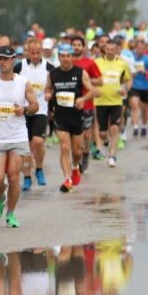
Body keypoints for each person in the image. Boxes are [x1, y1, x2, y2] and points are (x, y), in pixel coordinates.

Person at [0, 46, 38, 227]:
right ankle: (1, 197)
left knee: (13, 177)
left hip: (17, 135)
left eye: (6, 58)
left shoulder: (23, 82)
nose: (3, 62)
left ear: (13, 60)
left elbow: (35, 104)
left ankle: (11, 214)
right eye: (0, 58)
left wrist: (25, 109)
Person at [46, 44, 97, 192]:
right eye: (63, 56)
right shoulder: (53, 73)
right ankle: (67, 179)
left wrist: (83, 99)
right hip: (60, 116)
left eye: (68, 56)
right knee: (64, 147)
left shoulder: (80, 73)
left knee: (77, 152)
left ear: (72, 57)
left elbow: (93, 91)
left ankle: (75, 167)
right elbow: (48, 88)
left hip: (76, 116)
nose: (65, 59)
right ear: (59, 57)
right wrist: (48, 95)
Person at [13, 37, 53, 190]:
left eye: (38, 52)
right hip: (23, 110)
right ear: (27, 52)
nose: (35, 55)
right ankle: (27, 176)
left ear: (42, 52)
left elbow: (54, 86)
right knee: (26, 146)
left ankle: (40, 168)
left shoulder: (49, 67)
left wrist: (50, 95)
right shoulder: (19, 66)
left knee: (38, 142)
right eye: (32, 52)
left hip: (41, 109)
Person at [94, 38, 132, 168]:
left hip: (116, 101)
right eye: (108, 49)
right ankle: (105, 144)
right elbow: (90, 78)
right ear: (104, 49)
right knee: (102, 133)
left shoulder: (122, 64)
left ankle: (112, 155)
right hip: (100, 101)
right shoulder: (97, 62)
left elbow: (128, 80)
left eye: (113, 49)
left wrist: (125, 88)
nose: (110, 51)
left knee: (115, 128)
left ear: (117, 50)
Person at [71, 36, 102, 171]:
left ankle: (85, 154)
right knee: (75, 133)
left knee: (87, 134)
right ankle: (76, 157)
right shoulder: (67, 62)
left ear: (83, 47)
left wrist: (87, 80)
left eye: (79, 45)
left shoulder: (89, 63)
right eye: (74, 45)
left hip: (87, 102)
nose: (76, 47)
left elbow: (100, 81)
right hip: (70, 104)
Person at [127, 39, 148, 137]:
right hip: (135, 85)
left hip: (146, 86)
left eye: (142, 48)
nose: (140, 50)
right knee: (134, 105)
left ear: (145, 49)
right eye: (138, 48)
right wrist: (132, 74)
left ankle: (143, 126)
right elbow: (128, 71)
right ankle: (135, 127)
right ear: (135, 48)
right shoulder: (131, 58)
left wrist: (145, 72)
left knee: (145, 109)